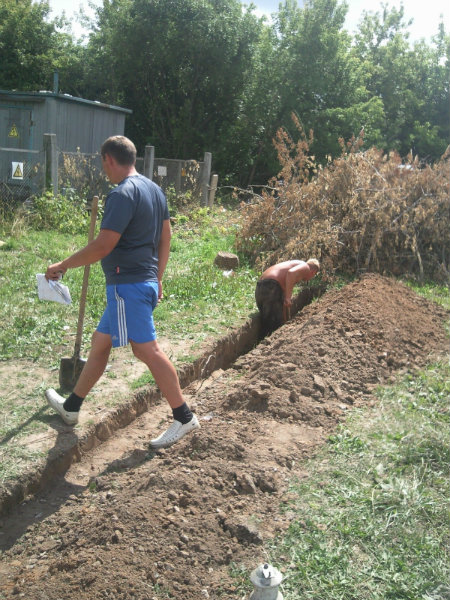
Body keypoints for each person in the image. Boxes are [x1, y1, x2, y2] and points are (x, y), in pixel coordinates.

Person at [44, 135, 199, 449]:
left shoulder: (122, 194)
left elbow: (103, 246)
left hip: (126, 286)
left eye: (104, 165)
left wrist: (63, 264)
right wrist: (157, 278)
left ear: (109, 159)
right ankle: (72, 407)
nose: (105, 171)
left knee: (146, 351)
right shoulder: (155, 191)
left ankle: (184, 417)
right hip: (140, 284)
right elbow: (165, 238)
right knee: (100, 344)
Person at [255, 258, 320, 337]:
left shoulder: (293, 269)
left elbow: (284, 303)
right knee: (274, 324)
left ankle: (262, 343)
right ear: (313, 272)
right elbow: (291, 273)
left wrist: (286, 322)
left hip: (261, 287)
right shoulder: (306, 267)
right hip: (271, 286)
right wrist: (288, 298)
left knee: (267, 321)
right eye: (313, 276)